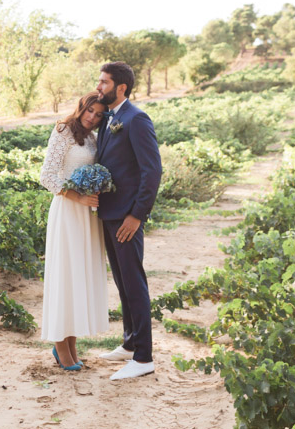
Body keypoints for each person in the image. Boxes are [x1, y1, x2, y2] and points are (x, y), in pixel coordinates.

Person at [94, 61, 162, 380]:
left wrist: (137, 215)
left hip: (126, 217)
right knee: (122, 281)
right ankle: (130, 342)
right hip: (109, 212)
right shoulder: (111, 117)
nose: (98, 87)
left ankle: (144, 357)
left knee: (134, 283)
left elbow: (152, 172)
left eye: (104, 82)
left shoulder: (136, 119)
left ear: (121, 87)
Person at [39, 91, 110, 371]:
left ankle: (71, 343)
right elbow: (47, 176)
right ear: (81, 108)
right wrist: (77, 196)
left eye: (99, 114)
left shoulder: (93, 138)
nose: (92, 117)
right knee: (65, 275)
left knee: (78, 275)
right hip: (68, 211)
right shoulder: (63, 131)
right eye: (89, 111)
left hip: (88, 216)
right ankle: (59, 343)